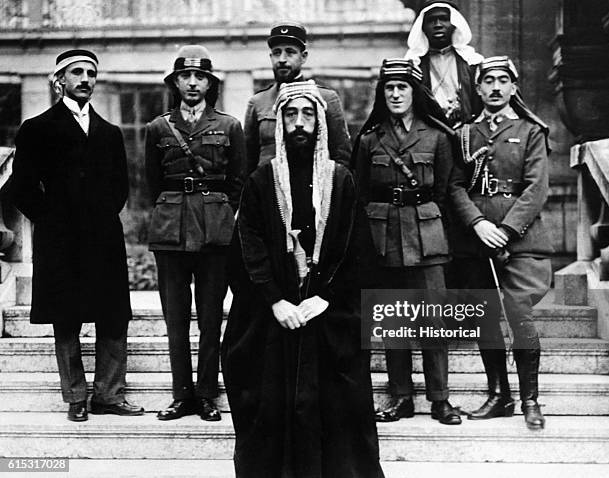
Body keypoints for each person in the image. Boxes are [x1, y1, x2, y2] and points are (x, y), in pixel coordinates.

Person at [222, 80, 384, 478]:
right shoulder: (261, 181)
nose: (299, 123)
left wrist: (326, 297)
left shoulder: (341, 179)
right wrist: (276, 301)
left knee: (339, 406)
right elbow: (248, 247)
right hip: (275, 317)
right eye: (290, 115)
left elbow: (355, 247)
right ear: (279, 123)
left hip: (327, 315)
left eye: (307, 115)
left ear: (320, 122)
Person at [9, 49, 144, 422]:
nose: (85, 79)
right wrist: (50, 220)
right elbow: (20, 188)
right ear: (60, 80)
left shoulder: (110, 132)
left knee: (113, 315)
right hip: (60, 240)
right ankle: (76, 397)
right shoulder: (37, 128)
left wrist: (99, 217)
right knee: (65, 317)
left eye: (91, 73)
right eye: (77, 73)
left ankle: (110, 395)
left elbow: (120, 188)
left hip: (103, 239)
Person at [352, 58, 461, 425]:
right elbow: (362, 191)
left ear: (416, 92)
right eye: (389, 88)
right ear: (382, 94)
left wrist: (429, 224)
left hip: (427, 237)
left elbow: (445, 192)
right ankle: (400, 397)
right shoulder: (370, 139)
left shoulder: (439, 137)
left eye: (403, 87)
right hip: (383, 238)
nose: (396, 94)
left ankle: (440, 399)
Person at [448, 56, 553, 430]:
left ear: (513, 86)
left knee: (520, 316)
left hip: (519, 242)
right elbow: (455, 185)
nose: (495, 87)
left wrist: (506, 230)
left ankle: (530, 400)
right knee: (484, 319)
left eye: (502, 80)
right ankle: (498, 395)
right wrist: (476, 223)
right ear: (478, 89)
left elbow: (537, 188)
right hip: (475, 240)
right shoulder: (463, 133)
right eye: (488, 81)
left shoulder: (531, 131)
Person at [145, 45, 245, 421]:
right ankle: (180, 395)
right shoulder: (158, 127)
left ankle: (206, 395)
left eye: (199, 76)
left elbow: (238, 182)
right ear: (175, 83)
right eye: (184, 77)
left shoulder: (229, 126)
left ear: (209, 83)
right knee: (174, 319)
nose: (191, 83)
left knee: (209, 318)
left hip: (214, 231)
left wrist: (218, 213)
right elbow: (153, 183)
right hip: (170, 230)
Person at [243, 21, 351, 174]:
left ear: (303, 56)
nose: (282, 59)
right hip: (268, 190)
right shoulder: (258, 102)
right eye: (276, 52)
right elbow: (247, 162)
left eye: (290, 52)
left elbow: (342, 158)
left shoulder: (326, 99)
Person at [405, 0, 483, 128]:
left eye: (444, 19)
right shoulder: (414, 64)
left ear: (454, 24)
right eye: (431, 20)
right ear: (423, 28)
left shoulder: (472, 61)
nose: (438, 25)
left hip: (466, 131)